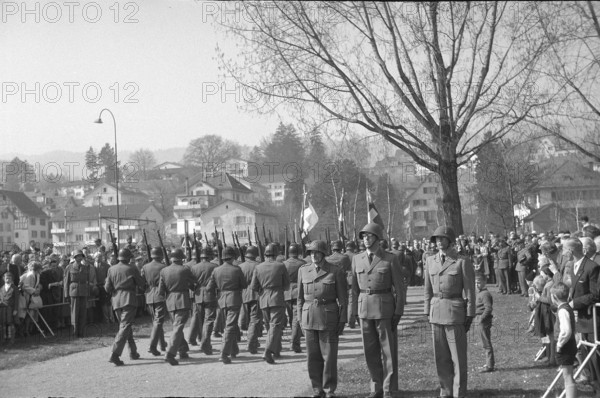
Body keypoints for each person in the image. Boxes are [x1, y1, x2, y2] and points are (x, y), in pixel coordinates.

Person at [351, 222, 405, 398]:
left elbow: (399, 288)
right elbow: (354, 289)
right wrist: (353, 312)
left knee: (388, 351)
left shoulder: (390, 258)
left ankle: (389, 389)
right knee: (370, 351)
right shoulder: (356, 259)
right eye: (363, 237)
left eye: (369, 236)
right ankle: (376, 388)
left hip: (384, 310)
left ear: (377, 238)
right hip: (364, 310)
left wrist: (398, 312)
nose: (365, 239)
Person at [424, 226, 476, 398]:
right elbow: (427, 290)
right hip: (436, 312)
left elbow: (469, 291)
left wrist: (469, 314)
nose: (438, 242)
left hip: (454, 313)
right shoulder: (430, 261)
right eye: (436, 239)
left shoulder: (461, 261)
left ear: (450, 240)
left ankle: (459, 392)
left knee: (458, 359)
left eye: (442, 238)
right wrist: (427, 311)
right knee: (441, 357)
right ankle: (445, 391)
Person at [298, 240, 347, 398]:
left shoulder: (335, 271)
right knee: (312, 357)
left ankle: (330, 389)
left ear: (324, 254)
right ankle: (317, 389)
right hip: (309, 317)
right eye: (311, 253)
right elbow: (299, 299)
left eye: (317, 252)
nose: (313, 255)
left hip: (328, 318)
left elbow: (343, 300)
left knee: (330, 356)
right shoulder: (303, 270)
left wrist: (342, 320)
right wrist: (300, 319)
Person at [564, 238, 600, 394]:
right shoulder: (574, 266)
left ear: (571, 251)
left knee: (596, 356)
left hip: (592, 319)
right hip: (582, 319)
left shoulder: (592, 267)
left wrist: (574, 303)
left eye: (564, 249)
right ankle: (594, 384)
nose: (563, 252)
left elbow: (596, 295)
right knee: (586, 353)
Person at [250, 243, 290, 364]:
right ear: (276, 253)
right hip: (277, 297)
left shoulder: (258, 267)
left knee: (270, 326)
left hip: (263, 299)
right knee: (275, 326)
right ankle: (268, 351)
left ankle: (276, 350)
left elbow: (253, 286)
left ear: (265, 254)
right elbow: (287, 285)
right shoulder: (280, 266)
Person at [105, 248, 145, 366]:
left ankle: (133, 352)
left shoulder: (111, 269)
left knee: (124, 326)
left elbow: (107, 288)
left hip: (116, 300)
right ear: (128, 258)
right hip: (128, 299)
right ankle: (115, 354)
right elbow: (141, 284)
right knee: (125, 327)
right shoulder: (132, 268)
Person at [207, 246, 246, 364]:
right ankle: (224, 353)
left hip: (222, 300)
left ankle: (233, 350)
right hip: (234, 299)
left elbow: (209, 288)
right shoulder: (237, 269)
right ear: (233, 257)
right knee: (230, 326)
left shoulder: (216, 270)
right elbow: (244, 285)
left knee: (230, 325)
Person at [159, 248, 195, 365]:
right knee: (178, 327)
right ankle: (170, 353)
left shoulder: (164, 271)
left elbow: (161, 290)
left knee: (176, 327)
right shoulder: (184, 269)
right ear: (181, 258)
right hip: (182, 300)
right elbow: (193, 283)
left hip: (170, 301)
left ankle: (182, 350)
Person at [188, 246, 219, 355]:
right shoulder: (215, 266)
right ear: (210, 256)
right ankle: (205, 343)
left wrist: (195, 290)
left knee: (199, 319)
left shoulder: (194, 267)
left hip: (198, 295)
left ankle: (199, 339)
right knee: (209, 320)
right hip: (210, 295)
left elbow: (190, 283)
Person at [551, 282, 579, 398]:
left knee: (567, 376)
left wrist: (559, 344)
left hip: (566, 346)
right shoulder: (566, 308)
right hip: (569, 344)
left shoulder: (562, 311)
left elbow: (566, 331)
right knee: (567, 375)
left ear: (554, 297)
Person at [64, 250, 98, 337]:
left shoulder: (85, 267)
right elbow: (66, 282)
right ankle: (74, 332)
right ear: (74, 257)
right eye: (78, 256)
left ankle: (82, 332)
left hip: (83, 291)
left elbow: (87, 281)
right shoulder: (69, 267)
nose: (80, 258)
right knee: (74, 312)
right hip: (74, 292)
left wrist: (88, 292)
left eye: (81, 256)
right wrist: (66, 294)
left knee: (83, 312)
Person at [141, 248, 168, 356]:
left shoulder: (145, 267)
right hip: (159, 295)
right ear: (160, 256)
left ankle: (162, 345)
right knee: (158, 321)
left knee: (157, 321)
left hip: (149, 295)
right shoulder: (163, 267)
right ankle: (152, 346)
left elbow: (142, 281)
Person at [239, 245, 262, 354]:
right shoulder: (259, 266)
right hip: (256, 294)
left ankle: (253, 340)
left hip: (244, 295)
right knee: (254, 320)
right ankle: (251, 343)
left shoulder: (240, 266)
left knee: (247, 320)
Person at [284, 243, 305, 352]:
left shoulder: (284, 264)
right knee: (296, 319)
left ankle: (294, 338)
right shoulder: (303, 263)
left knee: (292, 318)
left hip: (287, 293)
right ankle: (294, 343)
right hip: (298, 292)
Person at [475, 273, 494, 373]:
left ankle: (489, 365)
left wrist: (481, 318)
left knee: (486, 343)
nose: (477, 284)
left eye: (479, 282)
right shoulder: (479, 293)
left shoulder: (485, 294)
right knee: (484, 343)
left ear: (484, 282)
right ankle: (488, 363)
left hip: (483, 321)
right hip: (478, 319)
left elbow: (488, 308)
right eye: (476, 282)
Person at [0, 272, 18, 344]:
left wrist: (15, 309)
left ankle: (11, 339)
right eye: (6, 278)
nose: (8, 279)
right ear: (4, 279)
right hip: (2, 308)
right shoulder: (1, 288)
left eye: (9, 278)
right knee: (3, 323)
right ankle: (3, 338)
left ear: (12, 279)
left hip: (11, 308)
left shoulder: (14, 288)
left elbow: (16, 300)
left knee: (10, 323)